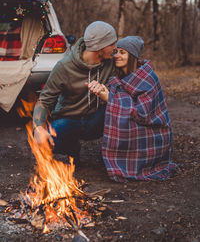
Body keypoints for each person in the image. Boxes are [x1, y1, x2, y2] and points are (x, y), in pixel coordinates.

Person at [88, 36, 178, 182]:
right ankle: (118, 154)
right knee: (110, 112)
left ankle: (129, 160)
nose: (116, 55)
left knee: (114, 110)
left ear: (133, 56)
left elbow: (142, 114)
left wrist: (109, 98)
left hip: (154, 131)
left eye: (122, 52)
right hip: (139, 124)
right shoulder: (119, 75)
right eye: (116, 51)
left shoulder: (147, 78)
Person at [33, 21, 117, 164]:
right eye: (112, 44)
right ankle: (71, 147)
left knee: (122, 108)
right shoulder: (64, 67)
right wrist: (39, 128)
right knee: (45, 141)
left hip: (97, 119)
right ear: (99, 47)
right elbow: (44, 100)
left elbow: (131, 75)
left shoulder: (111, 62)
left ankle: (117, 154)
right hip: (69, 120)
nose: (115, 48)